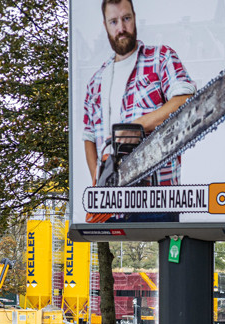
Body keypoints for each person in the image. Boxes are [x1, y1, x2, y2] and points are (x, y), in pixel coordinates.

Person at [83, 0, 196, 220]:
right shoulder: (96, 80)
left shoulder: (160, 57)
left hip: (158, 197)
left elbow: (185, 99)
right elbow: (88, 137)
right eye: (113, 21)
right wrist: (99, 183)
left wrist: (140, 125)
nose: (121, 28)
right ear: (105, 25)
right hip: (114, 205)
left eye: (126, 19)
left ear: (134, 18)